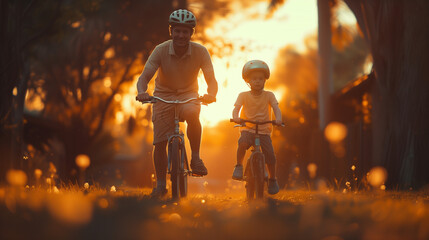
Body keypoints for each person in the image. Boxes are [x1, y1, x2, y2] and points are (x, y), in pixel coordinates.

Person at [136, 9, 218, 197]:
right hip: (163, 96)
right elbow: (144, 77)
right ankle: (161, 185)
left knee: (192, 113)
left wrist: (211, 94)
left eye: (186, 31)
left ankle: (196, 158)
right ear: (171, 31)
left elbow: (211, 80)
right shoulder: (160, 50)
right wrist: (142, 92)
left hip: (188, 94)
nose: (181, 35)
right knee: (159, 143)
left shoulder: (201, 51)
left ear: (191, 33)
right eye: (177, 31)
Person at [231, 60, 282, 195]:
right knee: (242, 144)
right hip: (247, 128)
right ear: (248, 80)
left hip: (264, 131)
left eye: (260, 78)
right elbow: (236, 109)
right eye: (254, 79)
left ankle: (272, 179)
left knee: (270, 156)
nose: (257, 81)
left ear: (265, 80)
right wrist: (236, 117)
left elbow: (276, 108)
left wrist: (278, 119)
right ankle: (239, 166)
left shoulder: (269, 95)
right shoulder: (243, 95)